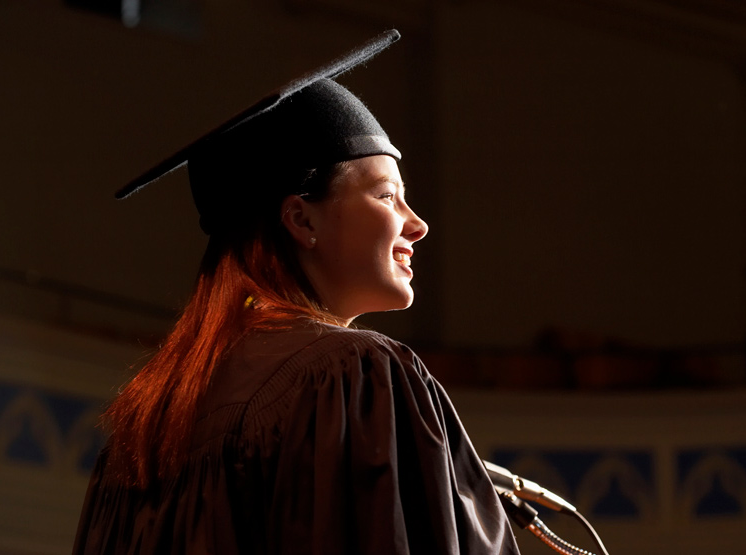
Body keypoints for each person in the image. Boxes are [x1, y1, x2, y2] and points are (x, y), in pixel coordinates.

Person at [73, 30, 521, 554]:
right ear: (301, 220)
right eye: (386, 196)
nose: (416, 224)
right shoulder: (353, 376)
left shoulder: (146, 423)